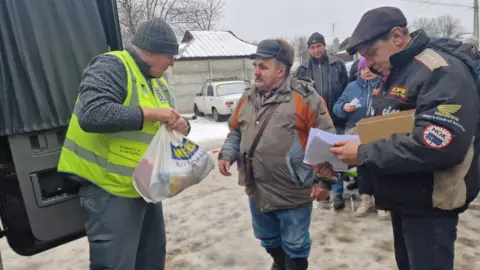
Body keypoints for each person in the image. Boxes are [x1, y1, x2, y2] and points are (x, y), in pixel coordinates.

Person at [331, 6, 480, 270]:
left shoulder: (440, 71)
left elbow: (439, 143)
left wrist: (363, 152)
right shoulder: (393, 73)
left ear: (397, 36)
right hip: (404, 196)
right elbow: (381, 126)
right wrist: (344, 147)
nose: (368, 63)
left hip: (431, 204)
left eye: (371, 53)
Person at [57, 18, 190, 270]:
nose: (173, 62)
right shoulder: (112, 65)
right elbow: (92, 113)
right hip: (109, 190)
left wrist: (182, 125)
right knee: (116, 264)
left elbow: (166, 119)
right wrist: (150, 114)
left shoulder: (157, 80)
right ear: (149, 51)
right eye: (169, 56)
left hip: (144, 187)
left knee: (151, 259)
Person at [218, 39, 336, 270]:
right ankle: (280, 264)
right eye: (256, 66)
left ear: (281, 70)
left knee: (296, 244)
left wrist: (325, 180)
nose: (256, 72)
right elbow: (236, 131)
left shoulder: (306, 98)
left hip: (292, 191)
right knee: (268, 239)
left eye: (263, 66)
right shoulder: (247, 98)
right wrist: (227, 153)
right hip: (257, 189)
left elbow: (327, 141)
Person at [296, 32, 349, 210]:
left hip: (336, 119)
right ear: (308, 50)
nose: (316, 50)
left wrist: (343, 110)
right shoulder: (302, 70)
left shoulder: (338, 65)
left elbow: (345, 89)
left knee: (335, 156)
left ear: (325, 46)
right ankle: (320, 189)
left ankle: (338, 193)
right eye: (313, 47)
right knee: (317, 157)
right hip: (313, 122)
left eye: (319, 46)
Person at [332, 56, 380, 217]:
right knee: (363, 165)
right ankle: (366, 200)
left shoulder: (384, 84)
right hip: (357, 130)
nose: (367, 72)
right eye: (363, 69)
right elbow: (336, 108)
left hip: (380, 131)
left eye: (370, 68)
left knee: (380, 163)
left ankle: (382, 201)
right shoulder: (352, 87)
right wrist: (344, 108)